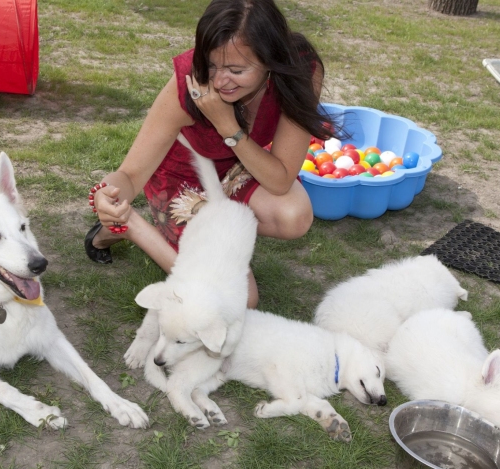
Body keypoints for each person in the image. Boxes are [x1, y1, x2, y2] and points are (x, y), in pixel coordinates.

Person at [84, 0, 335, 308]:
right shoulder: (187, 86)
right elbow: (131, 175)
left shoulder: (300, 70)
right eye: (212, 64)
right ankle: (132, 227)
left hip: (237, 167)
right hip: (181, 180)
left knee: (293, 216)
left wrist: (227, 125)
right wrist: (106, 195)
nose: (218, 81)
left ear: (271, 61)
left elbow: (281, 180)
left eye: (236, 70)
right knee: (241, 302)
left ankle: (210, 236)